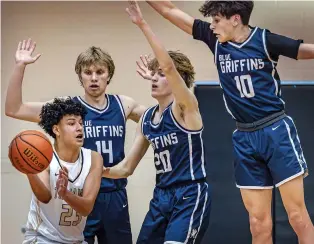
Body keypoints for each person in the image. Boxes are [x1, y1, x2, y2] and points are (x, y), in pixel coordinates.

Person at [145, 1, 314, 243]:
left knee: (297, 216)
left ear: (235, 19)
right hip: (244, 136)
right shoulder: (215, 41)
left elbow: (304, 50)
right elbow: (170, 10)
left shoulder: (265, 40)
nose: (212, 26)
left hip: (275, 129)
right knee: (258, 223)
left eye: (216, 20)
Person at [5, 38, 146, 244]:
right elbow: (14, 108)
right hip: (77, 192)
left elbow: (158, 119)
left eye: (100, 72)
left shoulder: (124, 104)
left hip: (114, 195)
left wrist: (136, 149)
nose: (94, 78)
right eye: (88, 73)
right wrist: (20, 66)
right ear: (80, 77)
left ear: (109, 75)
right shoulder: (67, 108)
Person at [103, 1, 211, 243]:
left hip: (189, 194)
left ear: (176, 80)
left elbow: (170, 68)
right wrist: (95, 172)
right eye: (153, 73)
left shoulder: (186, 108)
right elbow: (126, 168)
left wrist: (142, 24)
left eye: (160, 74)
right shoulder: (148, 120)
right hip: (161, 196)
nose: (154, 78)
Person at [23, 97, 103, 244]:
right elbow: (44, 196)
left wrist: (65, 194)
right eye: (72, 123)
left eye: (81, 123)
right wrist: (30, 171)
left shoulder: (94, 158)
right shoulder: (43, 156)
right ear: (56, 129)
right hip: (43, 238)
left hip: (75, 240)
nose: (79, 128)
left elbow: (86, 208)